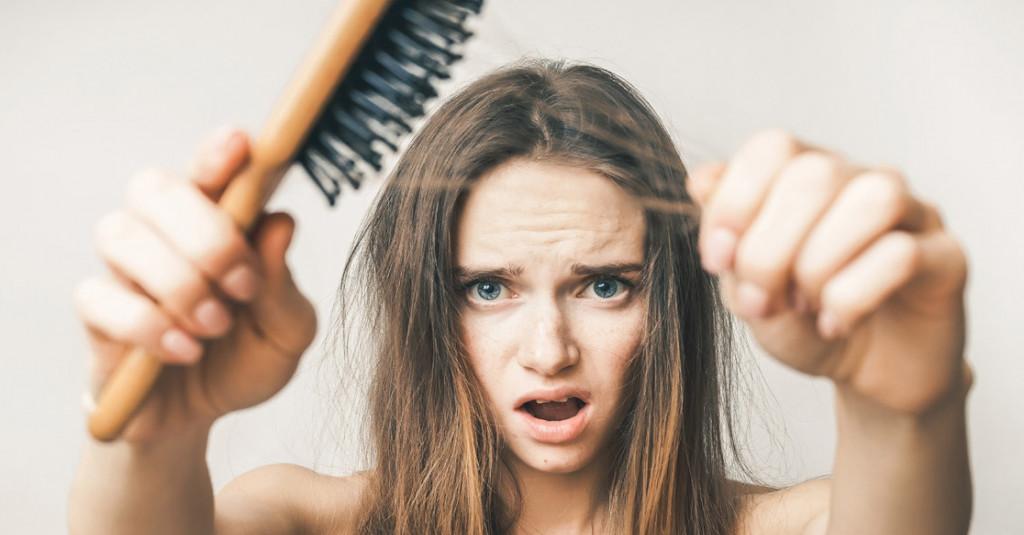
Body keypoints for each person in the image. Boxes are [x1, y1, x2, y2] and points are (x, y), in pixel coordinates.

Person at [68, 58, 973, 534]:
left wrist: (904, 411)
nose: (550, 349)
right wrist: (157, 437)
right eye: (490, 287)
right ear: (427, 304)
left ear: (674, 306)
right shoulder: (308, 519)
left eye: (605, 284)